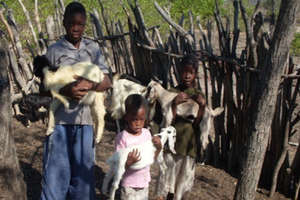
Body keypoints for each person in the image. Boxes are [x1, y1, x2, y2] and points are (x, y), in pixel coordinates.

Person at [40, 2, 111, 200]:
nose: (76, 28)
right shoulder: (54, 50)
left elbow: (107, 81)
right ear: (63, 23)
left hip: (86, 124)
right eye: (72, 23)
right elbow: (43, 87)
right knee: (55, 180)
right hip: (60, 124)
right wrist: (67, 90)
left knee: (82, 182)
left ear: (85, 24)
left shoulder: (93, 48)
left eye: (80, 24)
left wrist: (89, 85)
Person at [155, 55, 206, 200]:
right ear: (178, 72)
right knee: (167, 187)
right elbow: (167, 121)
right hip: (172, 147)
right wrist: (174, 104)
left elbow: (197, 124)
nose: (187, 75)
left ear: (195, 74)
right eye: (184, 71)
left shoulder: (199, 96)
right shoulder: (171, 93)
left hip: (188, 148)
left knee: (182, 188)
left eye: (191, 72)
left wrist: (202, 106)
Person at [115, 94, 162, 200]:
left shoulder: (146, 134)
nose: (138, 123)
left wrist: (158, 148)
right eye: (135, 119)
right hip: (129, 185)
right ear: (127, 117)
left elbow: (151, 159)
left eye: (142, 119)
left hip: (144, 184)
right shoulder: (122, 137)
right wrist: (128, 163)